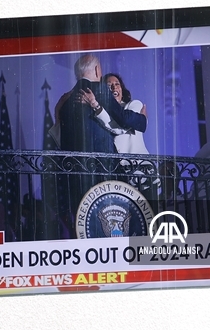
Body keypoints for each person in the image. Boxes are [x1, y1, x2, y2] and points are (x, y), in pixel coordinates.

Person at [54, 55, 147, 235]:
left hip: (76, 176)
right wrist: (142, 119)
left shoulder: (66, 101)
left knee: (87, 227)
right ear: (97, 70)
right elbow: (123, 119)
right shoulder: (98, 89)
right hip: (103, 173)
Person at [92, 73, 150, 155]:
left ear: (122, 90)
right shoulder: (102, 112)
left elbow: (121, 127)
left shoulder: (135, 104)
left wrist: (96, 107)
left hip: (138, 162)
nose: (114, 87)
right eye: (109, 85)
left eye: (117, 84)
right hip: (117, 162)